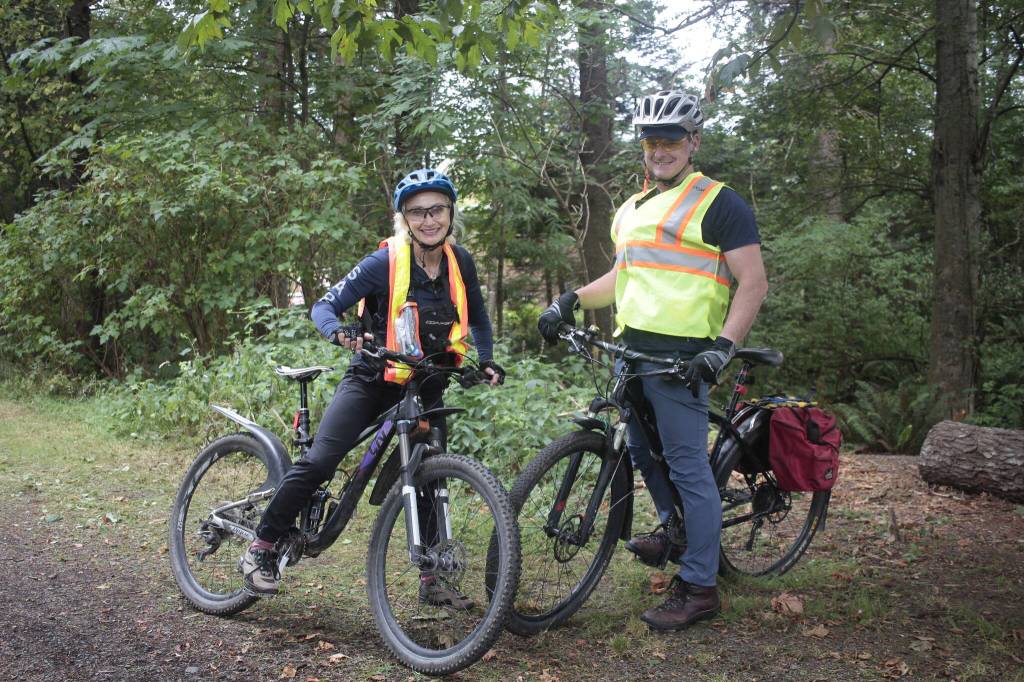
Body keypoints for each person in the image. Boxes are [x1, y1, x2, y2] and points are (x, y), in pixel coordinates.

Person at [538, 91, 768, 631]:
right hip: (632, 350)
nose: (659, 150)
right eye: (651, 141)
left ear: (694, 143)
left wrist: (723, 349)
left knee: (688, 467)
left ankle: (700, 587)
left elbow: (753, 283)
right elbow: (625, 278)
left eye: (670, 140)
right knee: (642, 452)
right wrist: (570, 299)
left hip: (685, 356)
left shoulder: (720, 203)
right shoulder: (634, 207)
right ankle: (676, 530)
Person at [240, 168, 505, 605]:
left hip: (426, 384)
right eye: (417, 213)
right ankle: (262, 547)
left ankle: (431, 579)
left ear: (450, 213)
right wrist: (339, 333)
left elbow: (477, 317)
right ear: (404, 218)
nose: (428, 220)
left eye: (436, 210)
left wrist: (487, 359)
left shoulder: (462, 262)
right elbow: (324, 306)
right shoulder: (385, 262)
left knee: (427, 477)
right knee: (322, 459)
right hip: (371, 379)